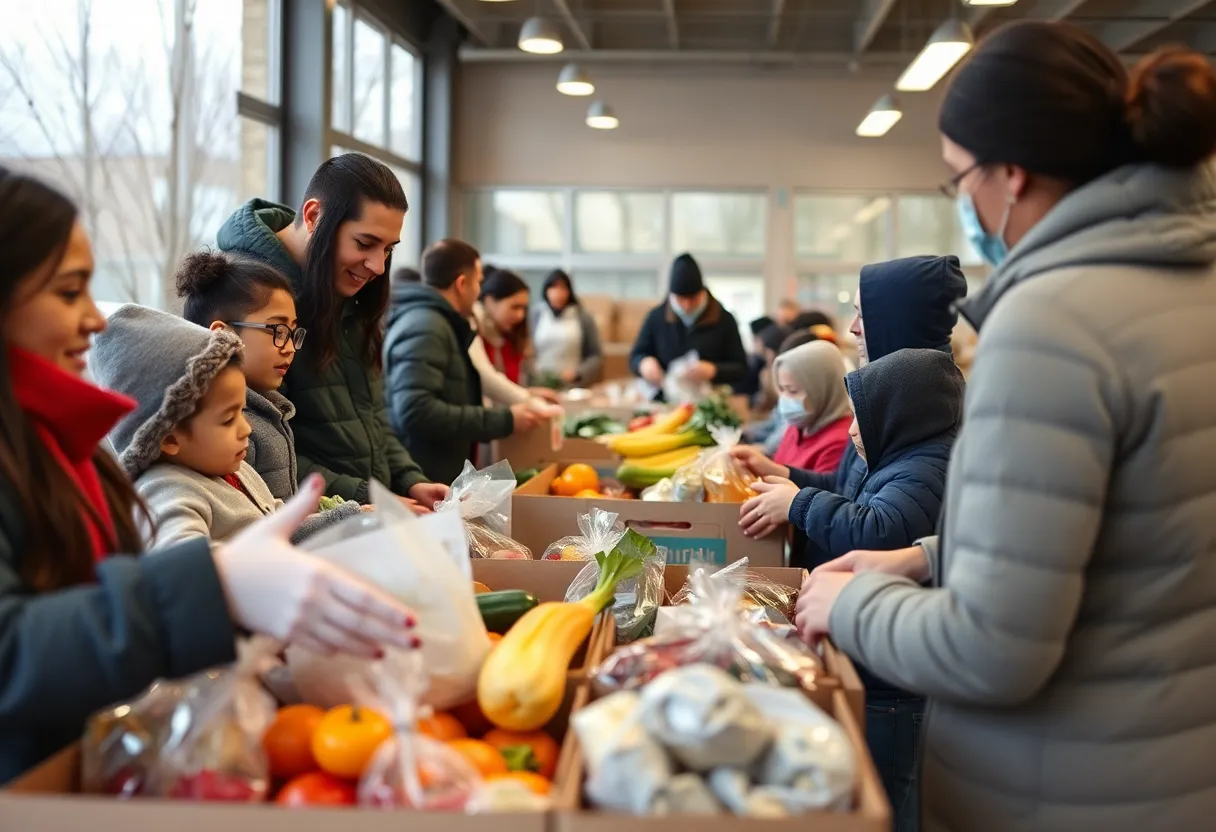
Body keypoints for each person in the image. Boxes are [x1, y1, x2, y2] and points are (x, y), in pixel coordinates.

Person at [796, 24, 1216, 832]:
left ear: (1011, 177)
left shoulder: (1053, 323)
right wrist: (928, 557)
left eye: (958, 177)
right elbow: (1131, 535)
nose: (962, 201)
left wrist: (851, 605)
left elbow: (992, 647)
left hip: (1063, 785)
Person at [0, 168, 419, 783]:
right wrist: (214, 584)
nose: (92, 317)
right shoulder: (118, 465)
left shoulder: (58, 444)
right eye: (67, 293)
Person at [743, 348, 964, 826]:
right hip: (870, 653)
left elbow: (877, 529)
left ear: (898, 415)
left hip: (893, 682)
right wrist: (789, 478)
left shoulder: (925, 470)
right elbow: (843, 490)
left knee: (886, 793)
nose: (851, 430)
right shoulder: (898, 451)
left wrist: (799, 504)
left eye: (861, 418)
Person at [216, 153, 447, 511]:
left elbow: (370, 417)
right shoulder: (248, 304)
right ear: (313, 217)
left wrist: (409, 480)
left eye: (388, 249)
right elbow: (263, 449)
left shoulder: (348, 292)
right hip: (308, 522)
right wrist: (367, 499)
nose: (377, 266)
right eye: (364, 243)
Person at [90, 305, 361, 546]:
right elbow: (183, 565)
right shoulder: (167, 490)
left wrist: (348, 518)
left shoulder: (237, 469)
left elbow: (277, 525)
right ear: (169, 438)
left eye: (241, 412)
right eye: (228, 419)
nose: (246, 429)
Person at [733, 255, 967, 493]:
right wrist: (776, 471)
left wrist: (796, 503)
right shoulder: (887, 396)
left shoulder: (922, 411)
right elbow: (842, 486)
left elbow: (877, 514)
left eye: (863, 316)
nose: (852, 328)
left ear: (895, 322)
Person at [384, 240, 541, 485]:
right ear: (461, 284)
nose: (479, 292)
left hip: (432, 470)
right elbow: (416, 411)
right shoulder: (427, 327)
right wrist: (504, 420)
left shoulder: (439, 323)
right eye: (478, 282)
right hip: (424, 473)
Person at [178, 250, 305, 501]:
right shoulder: (226, 429)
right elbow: (255, 519)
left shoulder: (270, 410)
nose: (290, 347)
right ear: (222, 334)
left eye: (292, 332)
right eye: (278, 330)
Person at [630, 252, 748, 395]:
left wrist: (714, 370)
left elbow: (741, 368)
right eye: (680, 299)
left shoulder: (724, 319)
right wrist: (643, 363)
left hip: (711, 398)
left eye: (693, 299)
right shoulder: (656, 318)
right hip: (665, 397)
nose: (686, 306)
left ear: (703, 292)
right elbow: (636, 356)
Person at [769, 340, 853, 474]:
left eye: (792, 391)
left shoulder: (839, 441)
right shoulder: (800, 425)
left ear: (821, 390)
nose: (783, 398)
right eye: (782, 389)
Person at [530, 269, 604, 389]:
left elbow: (595, 355)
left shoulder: (583, 317)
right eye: (553, 287)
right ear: (546, 290)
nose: (558, 293)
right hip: (540, 381)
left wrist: (578, 373)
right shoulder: (537, 314)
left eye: (563, 288)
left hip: (572, 384)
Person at [473, 266, 534, 387]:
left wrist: (529, 393)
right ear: (490, 301)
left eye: (524, 308)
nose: (520, 315)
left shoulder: (513, 336)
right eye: (515, 307)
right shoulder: (475, 333)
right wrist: (526, 395)